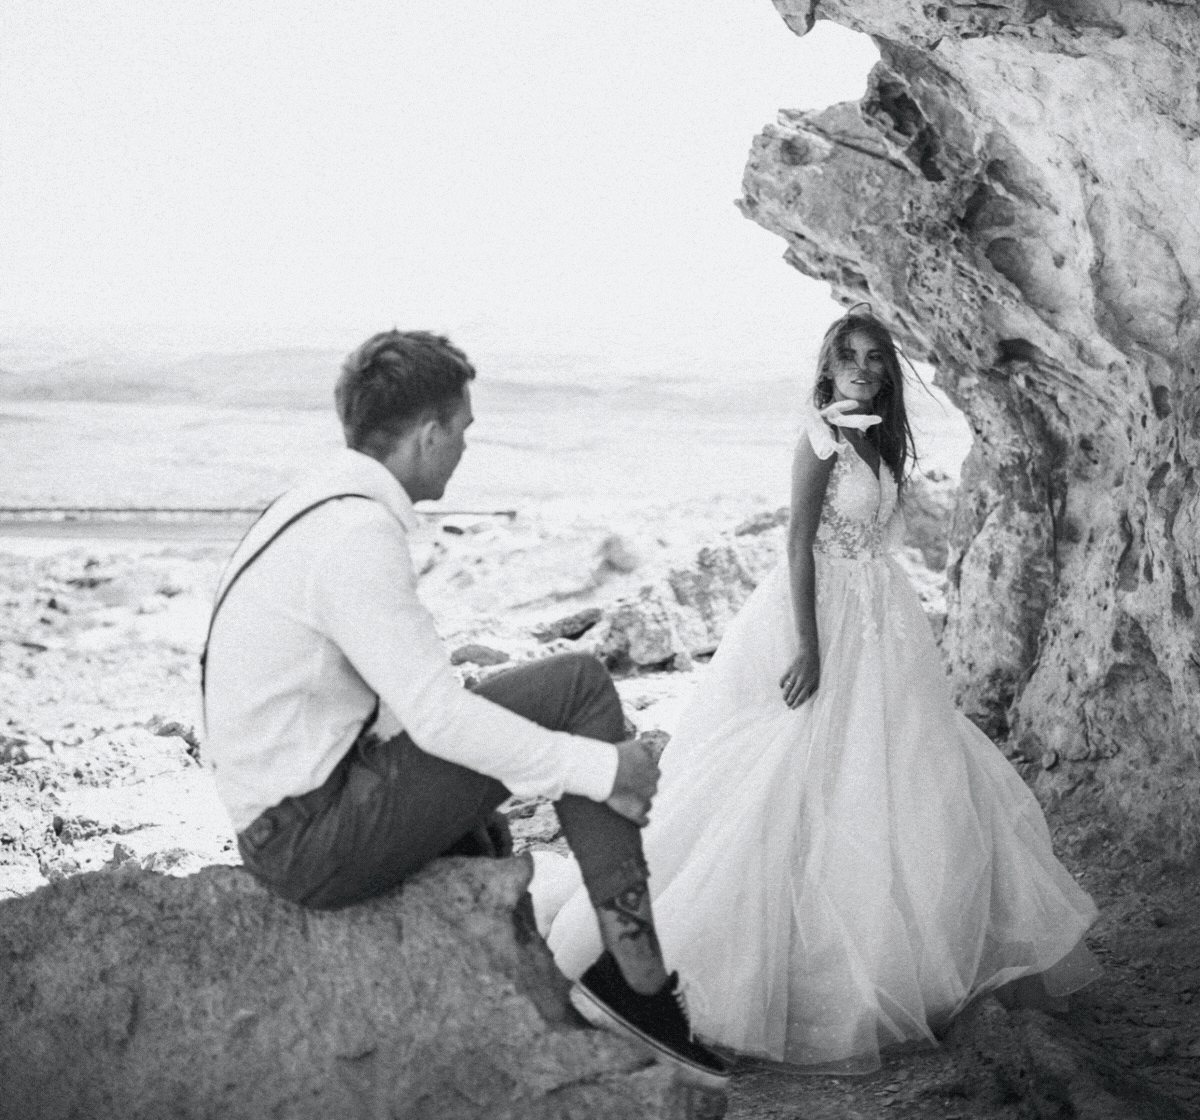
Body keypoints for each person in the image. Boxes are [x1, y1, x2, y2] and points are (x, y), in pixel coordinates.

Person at [545, 307, 1100, 1072]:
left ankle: (902, 960)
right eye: (850, 356)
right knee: (784, 776)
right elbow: (796, 548)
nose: (864, 368)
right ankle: (680, 971)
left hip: (882, 618)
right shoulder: (818, 434)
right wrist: (810, 646)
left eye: (876, 357)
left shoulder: (869, 434)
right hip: (827, 616)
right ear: (828, 364)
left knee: (895, 778)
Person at [201, 329, 728, 1095]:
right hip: (307, 836)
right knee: (577, 686)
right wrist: (606, 766)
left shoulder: (313, 506)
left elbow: (398, 700)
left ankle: (540, 989)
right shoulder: (356, 534)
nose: (465, 450)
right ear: (430, 433)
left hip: (298, 807)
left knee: (488, 819)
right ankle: (639, 983)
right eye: (465, 432)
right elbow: (438, 719)